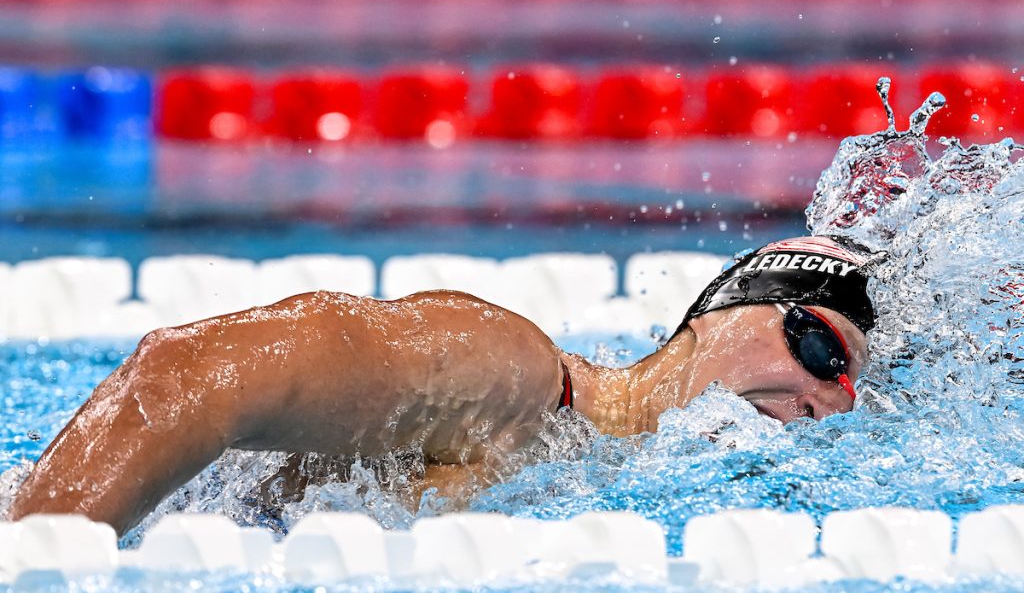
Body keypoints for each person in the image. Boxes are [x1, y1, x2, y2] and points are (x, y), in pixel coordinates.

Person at [8, 235, 877, 536]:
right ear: (722, 313)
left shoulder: (588, 467)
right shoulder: (513, 371)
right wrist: (37, 562)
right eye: (820, 349)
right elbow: (185, 371)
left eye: (850, 396)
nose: (829, 399)